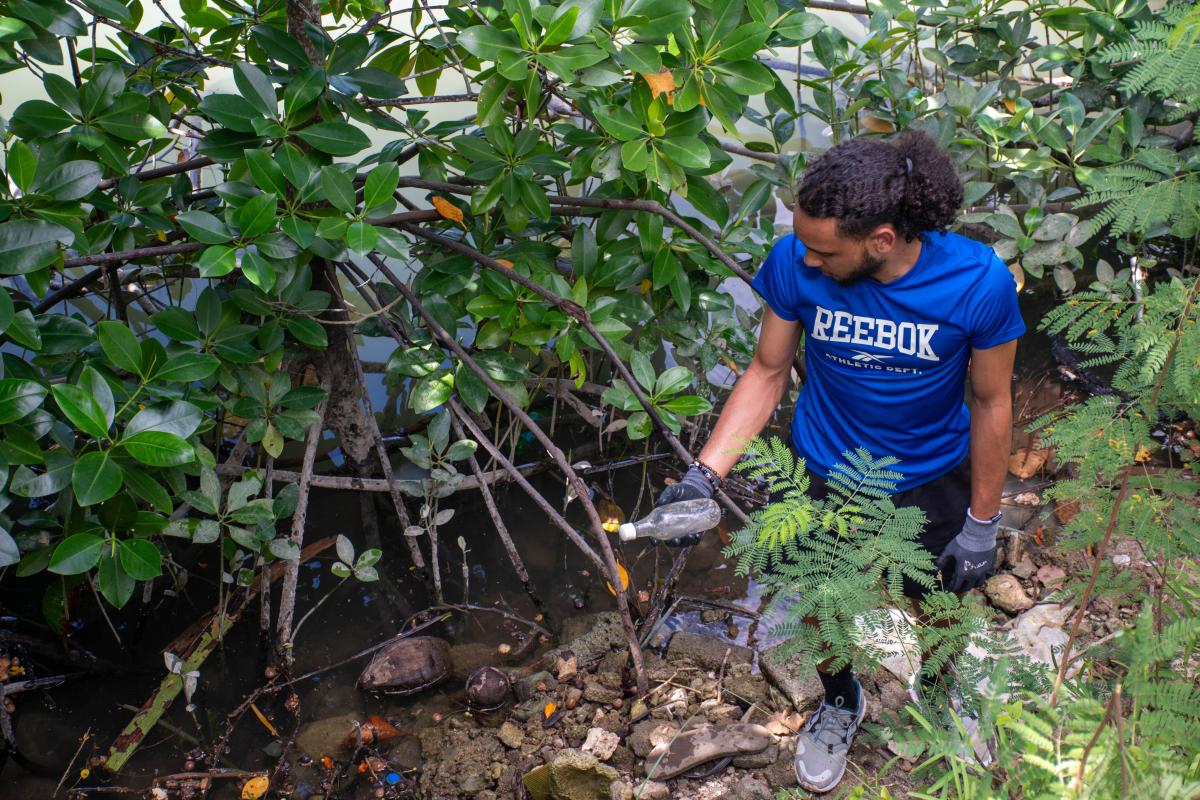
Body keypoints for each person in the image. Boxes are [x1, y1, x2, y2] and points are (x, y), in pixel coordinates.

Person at [657, 131, 1025, 792]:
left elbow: (993, 401)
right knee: (824, 601)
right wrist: (701, 474)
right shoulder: (797, 265)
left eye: (824, 249)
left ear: (881, 239)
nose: (806, 258)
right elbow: (768, 371)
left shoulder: (976, 281)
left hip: (931, 476)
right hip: (822, 470)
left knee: (941, 599)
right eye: (803, 242)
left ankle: (940, 689)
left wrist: (982, 522)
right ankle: (841, 700)